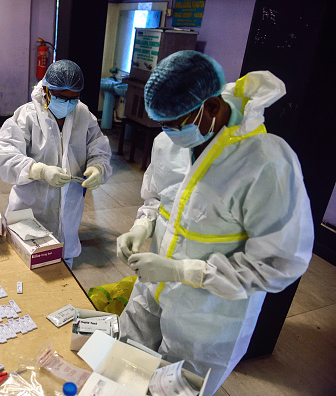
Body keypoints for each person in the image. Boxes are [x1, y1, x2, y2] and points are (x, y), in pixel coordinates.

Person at [115, 51, 313, 395]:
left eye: (176, 123)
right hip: (151, 292)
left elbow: (279, 263)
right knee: (124, 371)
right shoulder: (169, 141)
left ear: (211, 105)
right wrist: (142, 226)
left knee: (173, 388)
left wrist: (184, 272)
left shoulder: (267, 162)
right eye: (162, 123)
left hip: (207, 318)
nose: (168, 133)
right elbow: (157, 198)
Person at [0, 59, 112, 268]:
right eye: (60, 97)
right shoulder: (26, 116)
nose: (67, 104)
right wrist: (38, 170)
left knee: (63, 265)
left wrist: (98, 167)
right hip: (30, 205)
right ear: (46, 90)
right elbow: (6, 155)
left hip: (70, 204)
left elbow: (98, 147)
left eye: (73, 98)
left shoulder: (83, 115)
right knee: (26, 262)